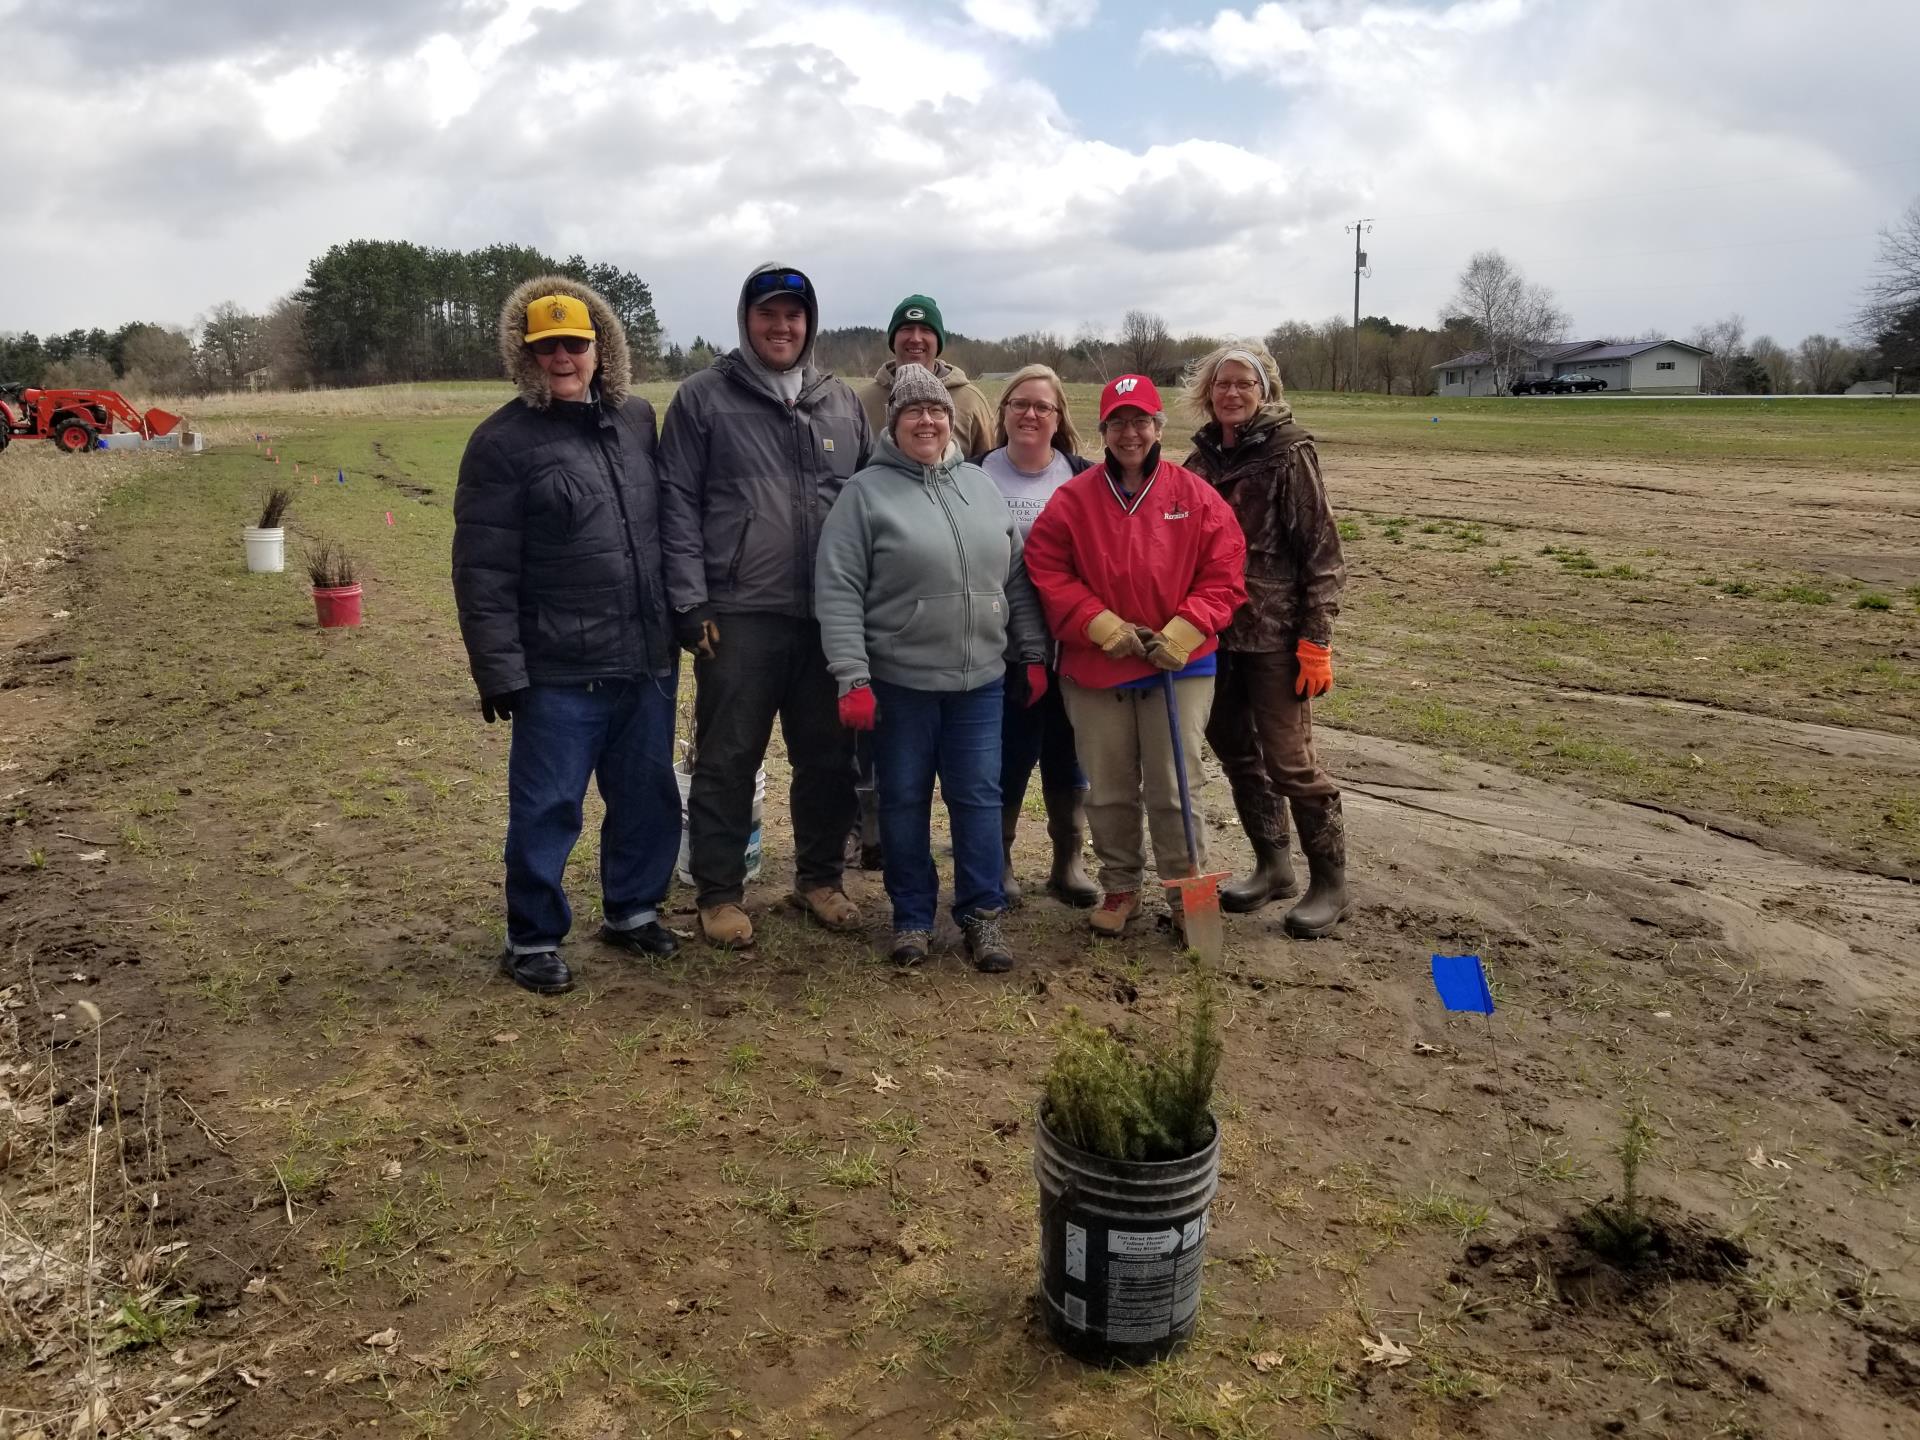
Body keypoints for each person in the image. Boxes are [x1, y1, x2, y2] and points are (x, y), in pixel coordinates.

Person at [452, 277, 681, 996]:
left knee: (646, 795)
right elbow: (482, 566)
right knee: (549, 806)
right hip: (559, 669)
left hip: (644, 658)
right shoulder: (501, 443)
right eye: (546, 347)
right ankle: (532, 938)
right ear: (526, 355)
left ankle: (633, 910)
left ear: (601, 348)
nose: (563, 358)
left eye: (575, 345)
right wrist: (499, 669)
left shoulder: (638, 420)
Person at [657, 264, 871, 948]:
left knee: (828, 756)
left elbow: (870, 507)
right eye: (767, 314)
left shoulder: (841, 403)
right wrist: (691, 605)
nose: (781, 327)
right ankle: (719, 893)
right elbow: (677, 507)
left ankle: (818, 879)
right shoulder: (702, 400)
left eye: (794, 315)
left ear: (810, 324)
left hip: (828, 616)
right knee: (728, 757)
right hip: (738, 616)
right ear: (746, 319)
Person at [815, 365, 1048, 970]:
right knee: (903, 799)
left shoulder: (980, 485)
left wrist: (1030, 652)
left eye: (937, 411)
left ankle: (981, 914)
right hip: (902, 684)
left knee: (977, 797)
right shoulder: (865, 494)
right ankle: (912, 915)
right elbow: (838, 588)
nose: (927, 420)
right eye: (913, 411)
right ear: (893, 421)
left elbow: (1016, 578)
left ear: (952, 418)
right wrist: (853, 676)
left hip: (981, 685)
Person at [1023, 375, 1246, 939]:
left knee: (1175, 786)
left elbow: (1225, 571)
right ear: (1102, 431)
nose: (1130, 432)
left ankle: (1188, 895)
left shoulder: (1194, 495)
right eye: (1118, 422)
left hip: (1179, 667)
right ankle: (1121, 888)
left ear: (1157, 428)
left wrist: (1185, 630)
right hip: (1097, 668)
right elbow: (1047, 569)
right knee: (1111, 786)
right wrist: (1098, 624)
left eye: (1140, 420)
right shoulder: (1073, 499)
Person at [1183, 343, 1349, 937]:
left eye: (1243, 384)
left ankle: (1330, 885)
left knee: (1290, 761)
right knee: (1236, 754)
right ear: (1208, 393)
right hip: (1214, 637)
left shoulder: (1289, 453)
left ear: (1265, 391)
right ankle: (1274, 866)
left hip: (1276, 638)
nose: (1231, 393)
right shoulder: (1199, 462)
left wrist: (1316, 639)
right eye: (1222, 384)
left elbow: (1323, 554)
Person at [977, 364, 1097, 909]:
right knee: (1008, 754)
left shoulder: (1082, 476)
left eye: (1041, 406)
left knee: (1067, 753)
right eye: (1019, 403)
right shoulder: (975, 474)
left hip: (1071, 644)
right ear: (1002, 413)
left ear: (1057, 418)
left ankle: (1066, 863)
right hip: (998, 648)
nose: (1029, 413)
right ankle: (998, 860)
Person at [856, 295, 996, 462]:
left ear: (939, 343)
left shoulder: (972, 401)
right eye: (906, 328)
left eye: (926, 330)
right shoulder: (862, 402)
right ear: (893, 340)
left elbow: (988, 467)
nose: (915, 338)